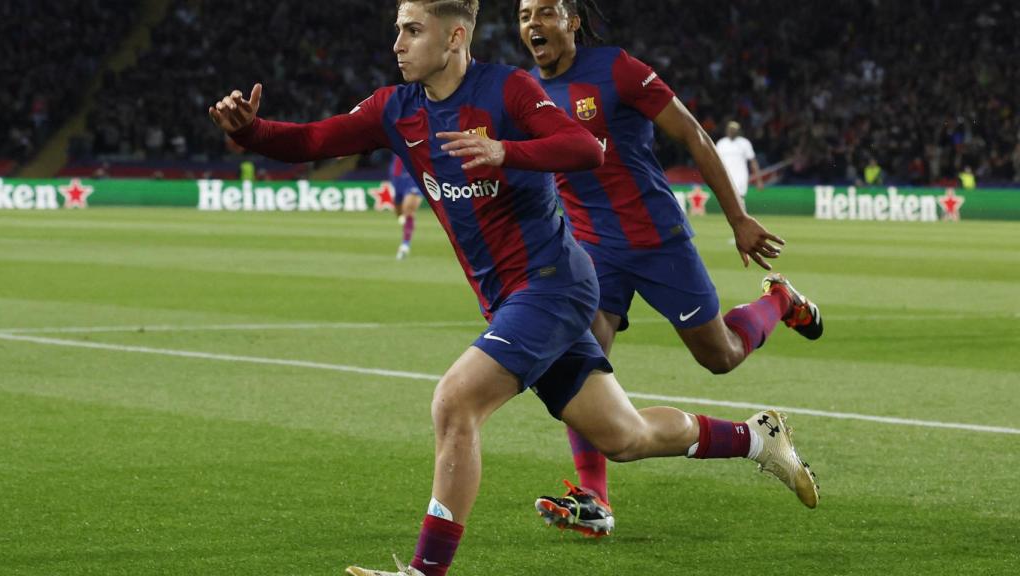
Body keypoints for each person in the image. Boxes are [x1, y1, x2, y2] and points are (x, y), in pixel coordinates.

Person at [209, 2, 818, 575]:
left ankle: (426, 570)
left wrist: (505, 150)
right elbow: (313, 140)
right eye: (397, 29)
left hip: (554, 284)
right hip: (513, 296)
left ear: (455, 36)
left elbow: (584, 147)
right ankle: (755, 440)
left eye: (412, 30)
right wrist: (253, 130)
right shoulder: (395, 109)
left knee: (454, 402)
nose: (397, 44)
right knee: (624, 436)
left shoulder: (508, 90)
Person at [517, 0, 823, 537]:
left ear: (573, 21)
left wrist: (738, 218)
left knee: (720, 356)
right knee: (581, 360)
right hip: (591, 252)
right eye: (524, 15)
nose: (533, 24)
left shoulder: (618, 70)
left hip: (659, 240)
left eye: (546, 12)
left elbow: (694, 137)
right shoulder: (522, 91)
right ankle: (594, 498)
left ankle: (780, 300)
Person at [716, 121, 763, 210]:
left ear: (738, 131)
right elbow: (716, 162)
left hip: (740, 175)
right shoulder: (721, 143)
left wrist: (759, 180)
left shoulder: (744, 143)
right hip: (726, 176)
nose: (732, 131)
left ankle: (742, 218)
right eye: (731, 129)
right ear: (727, 130)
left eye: (734, 129)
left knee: (739, 198)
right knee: (728, 200)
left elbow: (753, 162)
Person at [389, 155, 424, 259]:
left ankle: (405, 244)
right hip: (397, 175)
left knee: (408, 209)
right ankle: (405, 222)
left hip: (414, 175)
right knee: (399, 209)